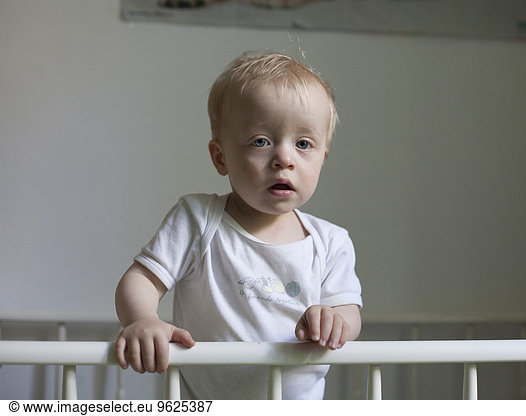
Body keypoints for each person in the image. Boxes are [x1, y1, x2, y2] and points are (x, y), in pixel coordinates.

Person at [114, 51, 363, 399]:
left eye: (303, 144)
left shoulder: (331, 242)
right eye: (260, 141)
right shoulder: (198, 220)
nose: (284, 159)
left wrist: (336, 322)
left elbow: (348, 309)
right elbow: (140, 280)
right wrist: (142, 319)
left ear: (322, 157)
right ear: (221, 157)